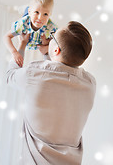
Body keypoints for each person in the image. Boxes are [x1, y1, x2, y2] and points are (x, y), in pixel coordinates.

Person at [6, 21, 96, 165]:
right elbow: (58, 80)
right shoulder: (90, 84)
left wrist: (22, 45)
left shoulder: (34, 73)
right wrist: (47, 55)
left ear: (56, 50)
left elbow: (10, 75)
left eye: (53, 36)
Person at [3, 0, 58, 67]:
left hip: (40, 42)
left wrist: (47, 47)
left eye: (45, 14)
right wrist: (14, 52)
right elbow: (6, 37)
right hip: (27, 35)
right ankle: (26, 10)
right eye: (37, 12)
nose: (40, 18)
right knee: (18, 59)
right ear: (30, 12)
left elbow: (60, 45)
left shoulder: (51, 27)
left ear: (50, 15)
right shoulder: (22, 24)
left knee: (49, 56)